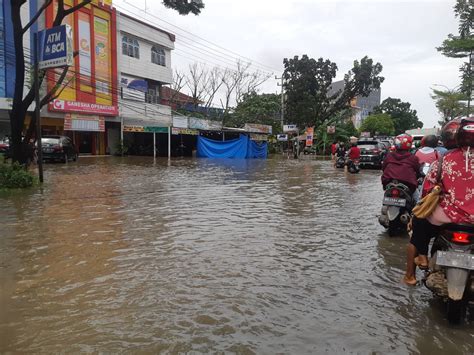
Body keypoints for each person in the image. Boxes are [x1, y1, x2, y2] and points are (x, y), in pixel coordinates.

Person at [403, 118, 473, 285]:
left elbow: (427, 190)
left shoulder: (443, 159)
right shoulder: (437, 156)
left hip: (447, 216)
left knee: (418, 220)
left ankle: (420, 259)